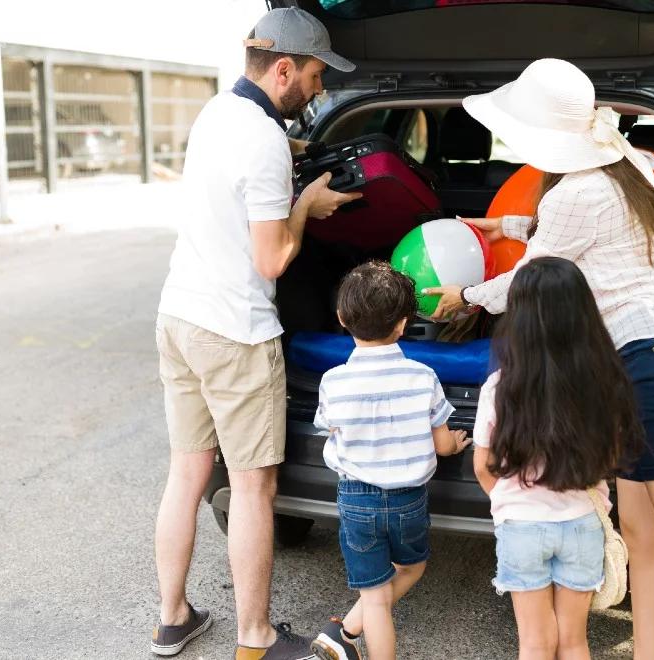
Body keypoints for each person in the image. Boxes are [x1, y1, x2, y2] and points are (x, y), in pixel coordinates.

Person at [424, 59, 654, 659]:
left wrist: (465, 296)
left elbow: (531, 278)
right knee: (642, 534)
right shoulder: (626, 167)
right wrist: (499, 221)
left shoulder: (577, 191)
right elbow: (584, 234)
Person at [151, 8, 362, 659]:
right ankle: (256, 635)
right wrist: (308, 204)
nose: (320, 89)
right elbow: (272, 258)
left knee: (187, 475)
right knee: (252, 486)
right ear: (283, 68)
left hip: (179, 317)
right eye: (317, 75)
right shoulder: (265, 142)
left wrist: (294, 159)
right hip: (233, 333)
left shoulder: (219, 113)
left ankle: (173, 618)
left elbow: (234, 178)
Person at [472, 256, 644, 660]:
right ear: (583, 315)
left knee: (534, 643)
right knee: (574, 641)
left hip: (522, 527)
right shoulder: (603, 384)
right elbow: (612, 456)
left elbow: (483, 465)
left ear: (519, 321)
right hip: (582, 524)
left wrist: (507, 503)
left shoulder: (498, 388)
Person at [308, 261, 472, 660]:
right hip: (409, 500)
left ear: (342, 319)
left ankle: (346, 635)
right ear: (403, 324)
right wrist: (456, 443)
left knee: (376, 598)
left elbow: (331, 431)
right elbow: (440, 443)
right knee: (412, 567)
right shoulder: (423, 376)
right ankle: (343, 633)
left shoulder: (333, 381)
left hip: (357, 499)